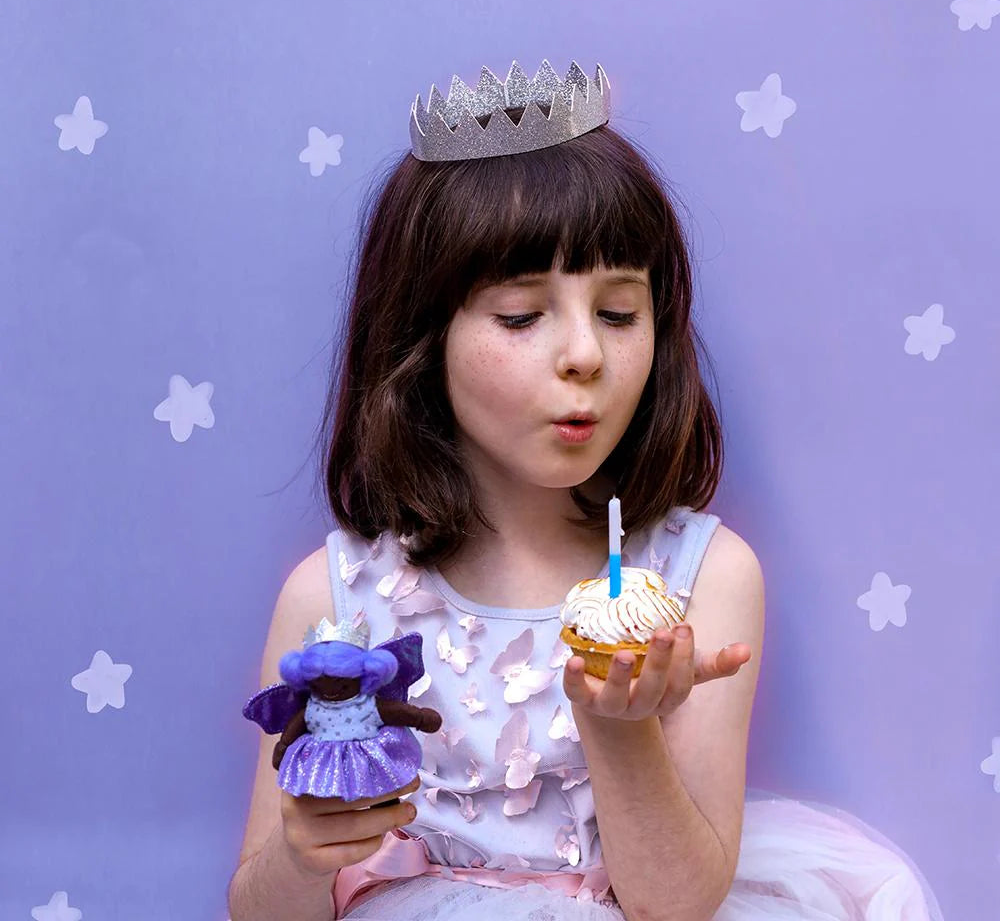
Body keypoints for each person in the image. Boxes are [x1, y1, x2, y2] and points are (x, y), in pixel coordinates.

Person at [227, 60, 944, 921]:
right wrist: (306, 858)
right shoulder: (333, 600)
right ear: (422, 339)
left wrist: (617, 722)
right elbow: (260, 912)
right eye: (523, 316)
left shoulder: (701, 581)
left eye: (618, 313)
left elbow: (672, 905)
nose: (586, 356)